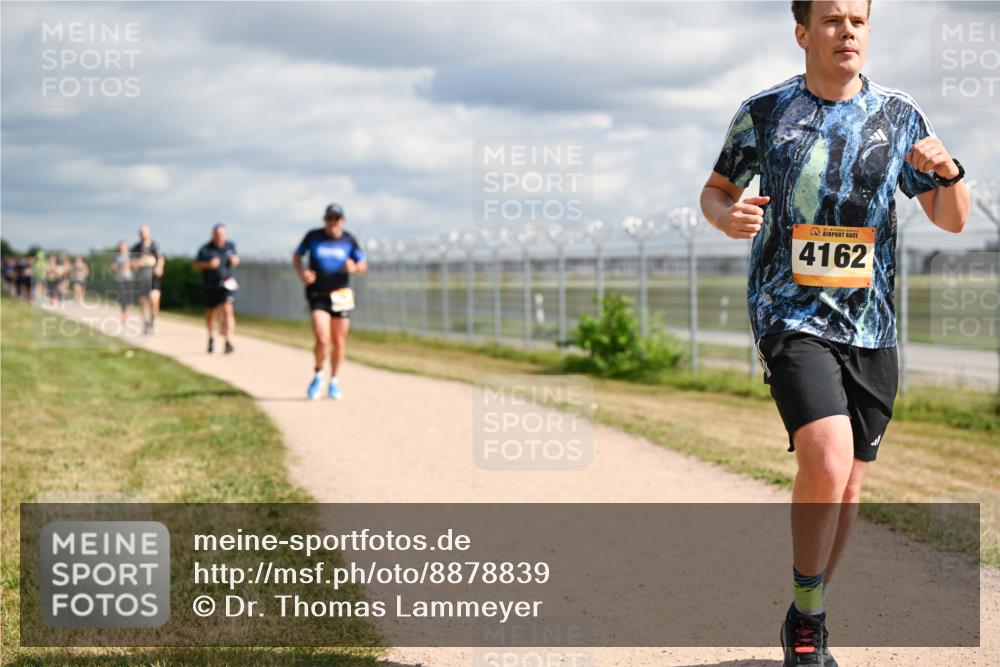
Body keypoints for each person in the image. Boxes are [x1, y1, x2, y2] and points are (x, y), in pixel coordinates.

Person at [699, 2, 969, 665]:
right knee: (826, 455)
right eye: (831, 19)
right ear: (803, 33)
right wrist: (724, 215)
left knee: (849, 482)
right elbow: (715, 188)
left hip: (871, 324)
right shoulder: (765, 112)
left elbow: (952, 219)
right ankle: (808, 627)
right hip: (789, 312)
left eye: (857, 19)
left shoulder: (900, 116)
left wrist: (949, 172)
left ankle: (807, 608)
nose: (846, 31)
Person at [293, 203, 367, 399]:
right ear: (325, 219)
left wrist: (354, 268)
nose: (333, 222)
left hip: (341, 294)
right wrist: (302, 273)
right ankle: (318, 373)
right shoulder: (313, 236)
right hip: (318, 294)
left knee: (339, 341)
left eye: (337, 218)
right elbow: (297, 256)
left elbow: (362, 264)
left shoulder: (349, 240)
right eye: (329, 218)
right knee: (322, 337)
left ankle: (334, 380)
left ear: (342, 220)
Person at [193, 223, 240, 354]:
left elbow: (236, 259)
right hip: (211, 285)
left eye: (222, 235)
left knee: (228, 310)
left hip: (227, 284)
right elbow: (196, 264)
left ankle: (228, 341)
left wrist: (236, 260)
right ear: (213, 235)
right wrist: (208, 265)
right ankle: (211, 338)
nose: (220, 238)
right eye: (218, 235)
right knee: (211, 314)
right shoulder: (206, 249)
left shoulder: (230, 246)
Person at [131, 226, 164, 334]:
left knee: (154, 300)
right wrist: (138, 263)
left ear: (149, 233)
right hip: (142, 279)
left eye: (145, 232)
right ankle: (145, 323)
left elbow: (161, 259)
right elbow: (132, 264)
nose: (144, 235)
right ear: (139, 234)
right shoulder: (136, 248)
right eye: (142, 233)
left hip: (153, 278)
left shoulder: (155, 246)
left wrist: (159, 267)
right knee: (143, 302)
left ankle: (153, 321)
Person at [111, 241, 134, 323]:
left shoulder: (130, 255)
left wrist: (129, 265)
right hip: (120, 278)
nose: (122, 247)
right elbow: (112, 266)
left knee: (128, 297)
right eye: (121, 246)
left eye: (124, 246)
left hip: (129, 278)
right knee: (122, 297)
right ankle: (123, 315)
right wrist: (118, 267)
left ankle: (127, 313)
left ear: (126, 247)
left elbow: (133, 265)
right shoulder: (116, 256)